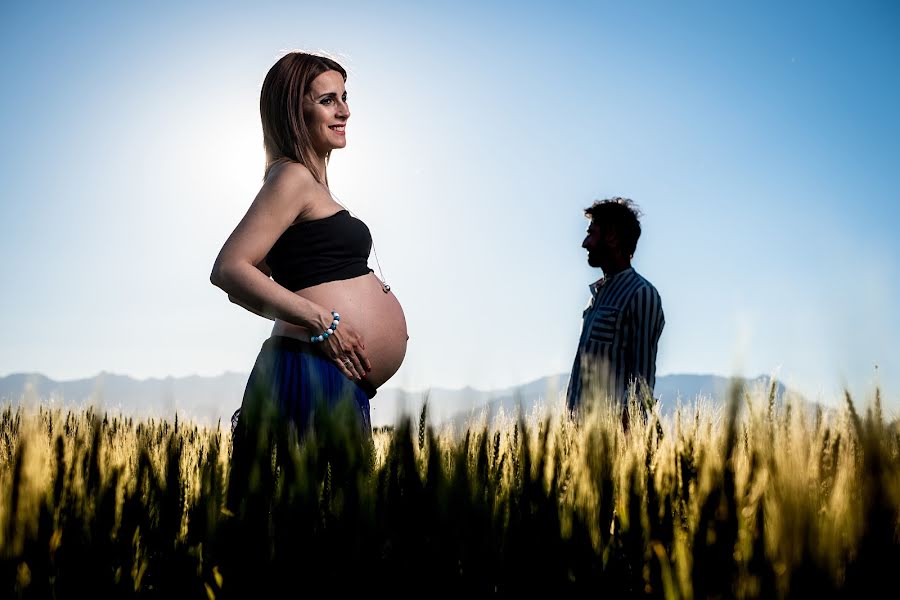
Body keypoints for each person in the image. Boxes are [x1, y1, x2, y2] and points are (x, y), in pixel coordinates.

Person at [210, 52, 409, 450]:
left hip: (327, 376)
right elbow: (230, 269)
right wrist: (321, 321)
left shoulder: (306, 185)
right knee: (306, 510)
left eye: (344, 97)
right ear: (293, 111)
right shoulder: (293, 177)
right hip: (310, 376)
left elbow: (249, 286)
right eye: (327, 100)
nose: (345, 111)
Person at [566, 197, 664, 428]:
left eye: (592, 233)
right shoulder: (596, 297)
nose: (585, 243)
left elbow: (640, 387)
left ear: (611, 237)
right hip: (577, 443)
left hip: (612, 448)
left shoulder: (641, 294)